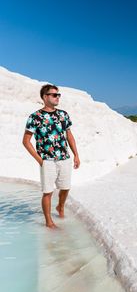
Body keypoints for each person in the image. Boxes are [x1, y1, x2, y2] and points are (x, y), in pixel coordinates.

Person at [22, 84, 80, 229]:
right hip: (47, 160)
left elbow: (69, 135)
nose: (57, 97)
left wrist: (76, 155)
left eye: (58, 95)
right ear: (45, 97)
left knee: (65, 188)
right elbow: (26, 141)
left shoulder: (63, 114)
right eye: (54, 95)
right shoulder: (35, 117)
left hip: (64, 158)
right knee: (47, 192)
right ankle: (49, 222)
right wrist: (40, 160)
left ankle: (60, 207)